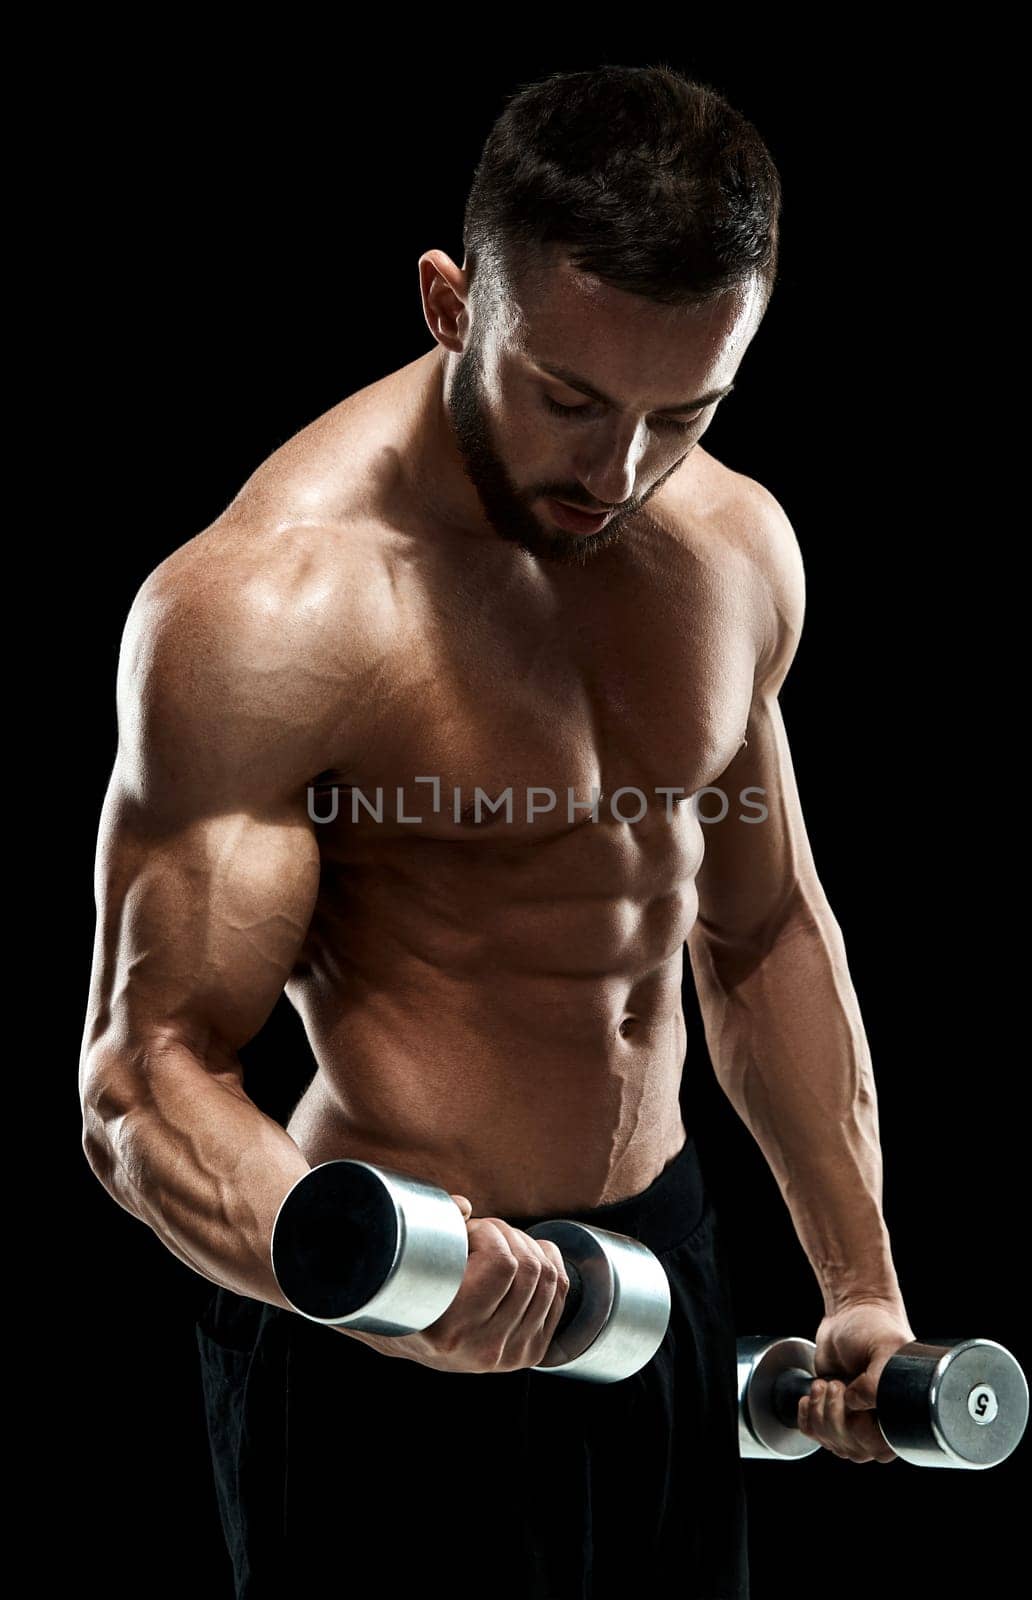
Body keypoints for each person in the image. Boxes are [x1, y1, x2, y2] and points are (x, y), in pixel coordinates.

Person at [79, 63, 916, 1599]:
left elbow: (764, 931)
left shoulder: (733, 550)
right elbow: (145, 1077)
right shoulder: (270, 607)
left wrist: (860, 1283)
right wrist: (356, 1277)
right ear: (451, 300)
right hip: (383, 1298)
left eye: (687, 411)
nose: (621, 475)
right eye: (573, 400)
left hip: (663, 1274)